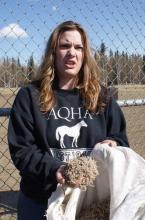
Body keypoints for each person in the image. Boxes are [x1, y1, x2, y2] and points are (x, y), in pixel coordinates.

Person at [8, 20, 129, 220]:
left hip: (88, 201)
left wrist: (114, 143)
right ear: (53, 52)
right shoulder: (29, 96)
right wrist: (56, 169)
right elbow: (22, 150)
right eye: (65, 46)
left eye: (78, 47)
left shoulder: (103, 97)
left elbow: (121, 140)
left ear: (84, 54)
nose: (72, 52)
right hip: (40, 200)